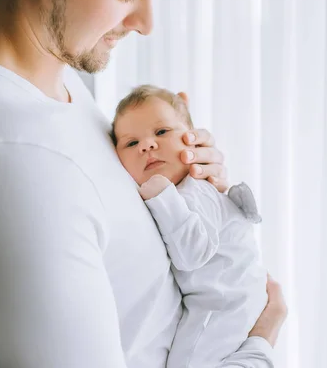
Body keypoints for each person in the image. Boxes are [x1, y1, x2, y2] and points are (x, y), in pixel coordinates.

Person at [0, 0, 287, 367]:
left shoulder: (55, 83)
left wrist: (189, 183)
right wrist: (258, 345)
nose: (146, 24)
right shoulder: (4, 162)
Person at [112, 85, 268, 368]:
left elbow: (193, 253)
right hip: (228, 301)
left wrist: (162, 196)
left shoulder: (196, 191)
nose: (147, 145)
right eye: (131, 143)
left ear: (193, 140)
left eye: (161, 132)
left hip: (224, 306)